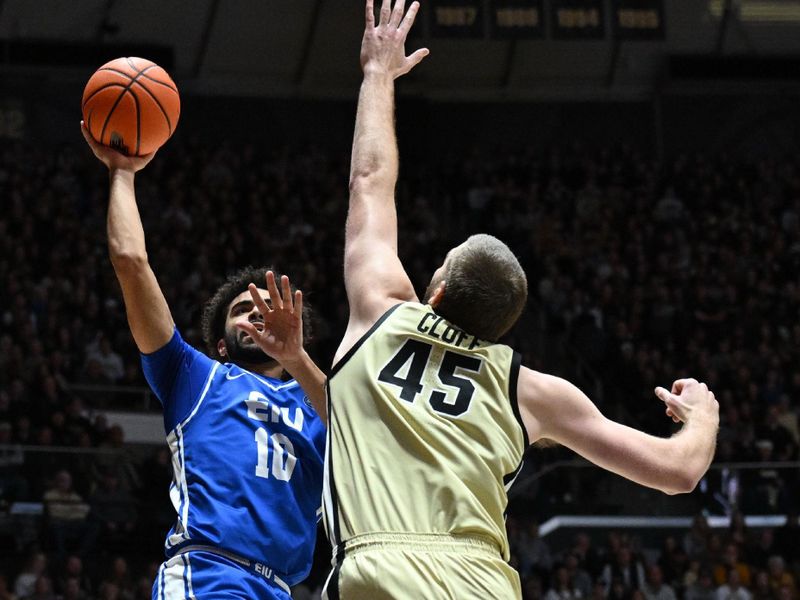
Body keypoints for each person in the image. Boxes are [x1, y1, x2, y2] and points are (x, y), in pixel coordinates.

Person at [320, 1, 720, 597]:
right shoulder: (530, 389)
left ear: (436, 290)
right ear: (501, 331)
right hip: (485, 580)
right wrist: (703, 418)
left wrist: (378, 75)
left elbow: (370, 181)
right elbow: (678, 472)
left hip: (380, 571)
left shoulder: (381, 311)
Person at [81, 125, 327, 599]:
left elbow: (362, 432)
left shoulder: (321, 398)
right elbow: (131, 261)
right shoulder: (195, 376)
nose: (256, 312)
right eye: (241, 311)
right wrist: (122, 173)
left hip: (282, 588)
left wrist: (296, 359)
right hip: (210, 572)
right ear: (220, 345)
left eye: (264, 307)